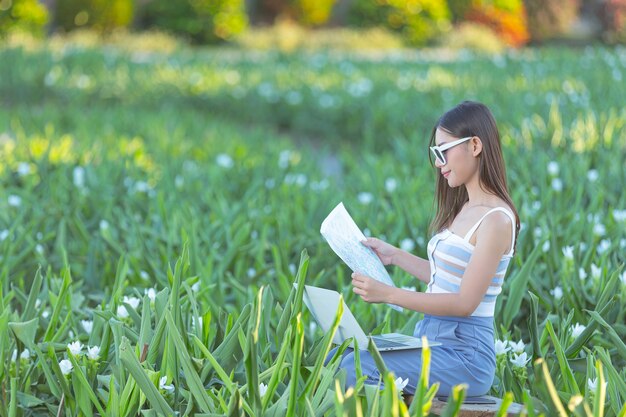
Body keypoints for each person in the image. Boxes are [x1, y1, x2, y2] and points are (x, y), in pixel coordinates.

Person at [328, 100, 520, 397]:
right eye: (435, 153)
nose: (438, 162)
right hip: (434, 340)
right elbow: (449, 277)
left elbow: (464, 302)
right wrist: (394, 256)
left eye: (444, 150)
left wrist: (389, 294)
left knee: (354, 367)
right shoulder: (466, 207)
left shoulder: (496, 220)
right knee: (336, 355)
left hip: (465, 357)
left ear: (475, 146)